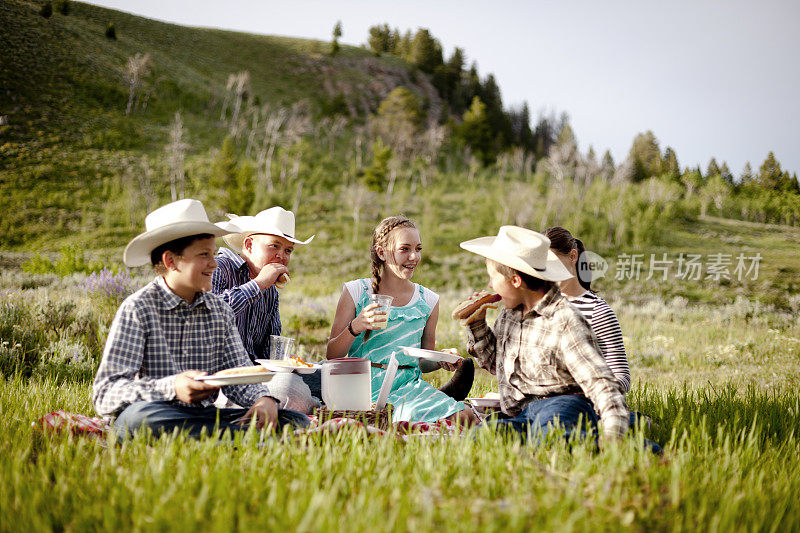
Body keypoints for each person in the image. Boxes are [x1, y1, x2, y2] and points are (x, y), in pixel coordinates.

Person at [93, 199, 309, 440]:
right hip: (155, 411)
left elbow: (238, 374)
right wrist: (172, 387)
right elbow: (105, 393)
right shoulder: (138, 309)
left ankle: (227, 437)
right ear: (170, 261)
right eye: (204, 255)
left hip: (203, 416)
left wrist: (262, 399)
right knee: (141, 420)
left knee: (293, 418)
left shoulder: (218, 311)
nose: (214, 263)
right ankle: (244, 439)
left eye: (212, 253)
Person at [459, 225, 628, 445]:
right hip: (519, 413)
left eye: (493, 278)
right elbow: (497, 365)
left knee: (554, 441)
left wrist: (614, 431)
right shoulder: (508, 316)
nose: (490, 285)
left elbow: (599, 381)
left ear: (516, 281)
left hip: (562, 405)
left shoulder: (563, 319)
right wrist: (477, 324)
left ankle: (636, 447)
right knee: (481, 438)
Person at [327, 215, 478, 425]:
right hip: (362, 388)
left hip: (409, 387)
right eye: (404, 249)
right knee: (428, 422)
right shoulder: (356, 292)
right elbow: (332, 355)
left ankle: (439, 401)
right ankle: (439, 402)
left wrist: (441, 359)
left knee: (466, 417)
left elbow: (423, 363)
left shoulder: (428, 300)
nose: (414, 257)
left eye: (418, 249)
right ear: (381, 252)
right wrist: (356, 326)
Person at [211, 207, 318, 414]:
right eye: (274, 246)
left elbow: (271, 347)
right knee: (291, 389)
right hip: (223, 380)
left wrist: (289, 362)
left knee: (328, 374)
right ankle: (309, 408)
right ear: (249, 245)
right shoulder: (219, 267)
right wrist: (258, 284)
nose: (281, 256)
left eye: (288, 250)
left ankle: (303, 405)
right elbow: (210, 315)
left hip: (259, 376)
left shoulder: (270, 289)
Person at [544, 226, 631, 393]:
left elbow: (622, 377)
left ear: (573, 256)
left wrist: (584, 392)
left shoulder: (597, 311)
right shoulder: (539, 307)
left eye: (552, 262)